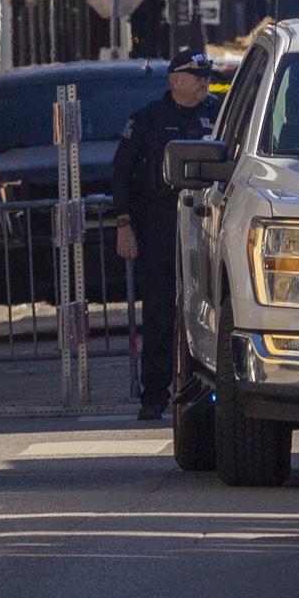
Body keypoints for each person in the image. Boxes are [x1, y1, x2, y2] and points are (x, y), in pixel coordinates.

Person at [110, 49, 218, 422]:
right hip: (160, 224)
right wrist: (123, 224)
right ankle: (154, 394)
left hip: (208, 222)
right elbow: (121, 172)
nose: (204, 82)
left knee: (210, 309)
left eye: (206, 76)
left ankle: (207, 388)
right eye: (196, 75)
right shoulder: (148, 120)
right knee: (159, 312)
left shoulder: (217, 114)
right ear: (175, 80)